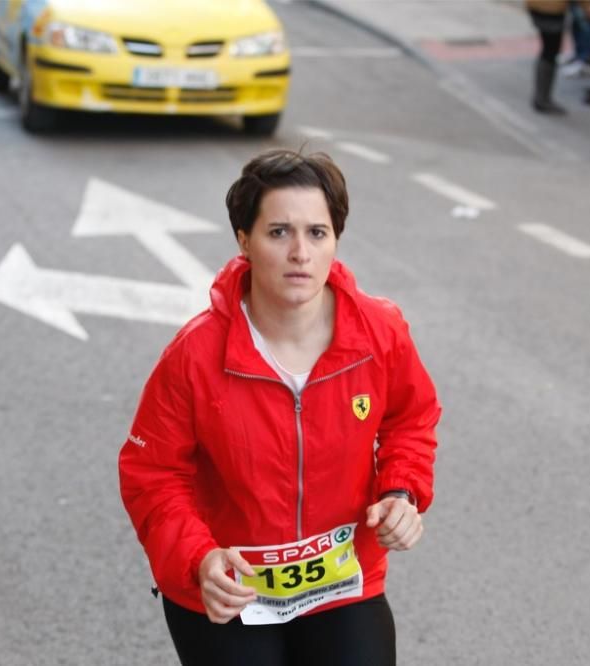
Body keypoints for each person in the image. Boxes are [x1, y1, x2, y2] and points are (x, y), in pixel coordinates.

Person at [119, 149, 441, 666]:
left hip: (341, 582)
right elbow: (152, 474)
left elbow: (410, 419)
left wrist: (401, 490)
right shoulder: (194, 355)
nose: (300, 253)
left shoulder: (380, 334)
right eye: (278, 233)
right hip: (230, 589)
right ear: (244, 241)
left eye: (317, 233)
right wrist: (199, 559)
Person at [527, 0, 590, 114]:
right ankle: (542, 99)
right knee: (550, 51)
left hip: (537, 6)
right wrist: (588, 7)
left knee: (548, 51)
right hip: (551, 10)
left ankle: (541, 97)